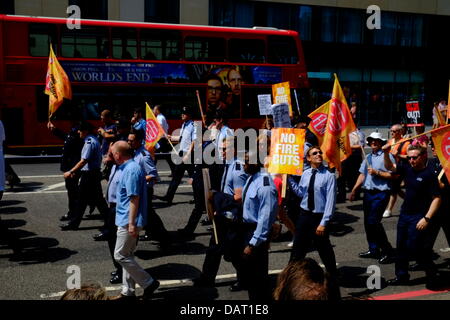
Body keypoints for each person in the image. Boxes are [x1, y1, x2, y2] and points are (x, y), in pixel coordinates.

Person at [193, 136, 249, 291]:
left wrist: (217, 198)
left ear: (235, 150)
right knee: (214, 248)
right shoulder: (228, 165)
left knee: (233, 252)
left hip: (231, 216)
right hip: (224, 213)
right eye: (221, 148)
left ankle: (245, 279)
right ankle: (207, 278)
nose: (222, 152)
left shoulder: (237, 169)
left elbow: (238, 197)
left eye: (226, 149)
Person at [383, 144, 442, 289]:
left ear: (422, 157)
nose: (411, 160)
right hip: (405, 215)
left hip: (419, 216)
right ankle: (401, 275)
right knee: (401, 247)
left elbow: (437, 198)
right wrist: (385, 153)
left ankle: (432, 274)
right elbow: (390, 167)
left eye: (414, 157)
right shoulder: (407, 168)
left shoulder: (429, 175)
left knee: (416, 248)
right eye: (409, 157)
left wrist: (427, 218)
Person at [110, 141, 160, 300]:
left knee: (120, 256)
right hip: (126, 218)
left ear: (118, 155)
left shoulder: (131, 170)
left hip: (128, 219)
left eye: (112, 153)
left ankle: (149, 282)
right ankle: (128, 292)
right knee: (127, 255)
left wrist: (131, 223)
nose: (111, 156)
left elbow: (134, 198)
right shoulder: (128, 167)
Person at [288, 146, 339, 282]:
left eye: (320, 152)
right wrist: (289, 179)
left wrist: (323, 223)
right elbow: (301, 193)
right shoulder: (306, 174)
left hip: (319, 217)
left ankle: (332, 278)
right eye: (314, 153)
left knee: (324, 250)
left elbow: (330, 201)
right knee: (298, 248)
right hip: (304, 215)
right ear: (308, 158)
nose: (318, 154)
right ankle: (290, 279)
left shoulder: (329, 176)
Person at [235, 152, 278, 300]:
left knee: (258, 278)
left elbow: (265, 218)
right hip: (247, 229)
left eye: (246, 161)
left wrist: (253, 244)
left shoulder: (265, 185)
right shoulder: (251, 178)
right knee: (250, 277)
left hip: (256, 234)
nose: (243, 164)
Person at [350, 132, 395, 264]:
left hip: (381, 193)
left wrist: (378, 173)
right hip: (368, 193)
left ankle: (387, 250)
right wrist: (354, 189)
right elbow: (362, 175)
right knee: (367, 223)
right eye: (371, 140)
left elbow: (393, 175)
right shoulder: (368, 156)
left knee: (374, 222)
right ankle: (373, 249)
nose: (373, 142)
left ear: (381, 142)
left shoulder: (388, 156)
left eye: (376, 140)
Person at [60, 121, 109, 231]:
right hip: (92, 174)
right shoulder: (91, 140)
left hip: (90, 175)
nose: (78, 132)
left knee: (89, 200)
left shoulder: (89, 142)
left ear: (86, 131)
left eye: (80, 130)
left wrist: (71, 171)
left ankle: (74, 223)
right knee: (93, 200)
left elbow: (83, 161)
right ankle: (74, 223)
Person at [127, 129, 171, 250]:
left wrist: (139, 180)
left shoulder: (144, 156)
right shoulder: (135, 153)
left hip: (145, 190)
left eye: (131, 141)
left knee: (150, 216)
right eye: (128, 140)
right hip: (140, 190)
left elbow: (153, 174)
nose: (129, 142)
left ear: (139, 141)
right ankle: (154, 234)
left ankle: (164, 238)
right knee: (146, 215)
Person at [47, 120, 84, 222]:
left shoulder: (76, 132)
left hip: (72, 168)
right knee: (72, 192)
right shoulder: (73, 132)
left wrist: (72, 171)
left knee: (73, 193)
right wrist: (54, 130)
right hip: (70, 168)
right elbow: (66, 137)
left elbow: (70, 142)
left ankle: (73, 214)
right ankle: (73, 212)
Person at [159, 106, 197, 205]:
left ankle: (198, 198)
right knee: (176, 176)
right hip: (182, 153)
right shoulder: (184, 125)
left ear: (189, 115)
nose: (182, 115)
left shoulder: (193, 125)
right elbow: (181, 139)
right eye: (182, 113)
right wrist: (171, 137)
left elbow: (194, 141)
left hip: (188, 155)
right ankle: (168, 197)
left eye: (184, 113)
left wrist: (188, 154)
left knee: (194, 177)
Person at [383, 124, 410, 218]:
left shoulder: (406, 143)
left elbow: (410, 157)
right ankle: (409, 200)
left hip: (402, 168)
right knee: (396, 189)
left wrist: (398, 155)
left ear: (399, 132)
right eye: (391, 131)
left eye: (394, 131)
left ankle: (389, 209)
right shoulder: (390, 141)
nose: (392, 133)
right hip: (391, 167)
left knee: (393, 189)